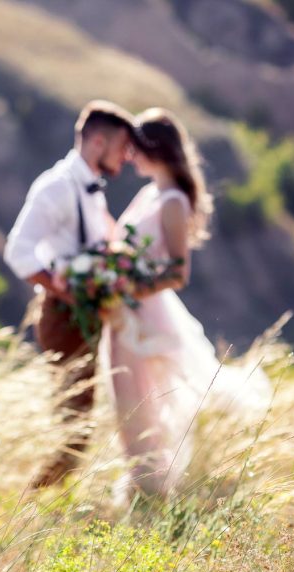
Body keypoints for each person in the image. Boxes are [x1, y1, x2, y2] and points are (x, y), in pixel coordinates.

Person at [100, 108, 269, 497]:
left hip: (148, 313)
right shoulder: (148, 193)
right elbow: (119, 246)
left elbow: (178, 273)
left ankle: (153, 488)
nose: (128, 157)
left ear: (154, 150)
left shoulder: (173, 202)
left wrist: (129, 289)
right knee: (124, 396)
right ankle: (144, 486)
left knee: (148, 399)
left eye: (135, 149)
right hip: (122, 311)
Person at [4, 99, 136, 489]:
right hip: (64, 319)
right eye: (122, 147)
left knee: (78, 425)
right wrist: (63, 288)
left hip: (89, 318)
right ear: (97, 142)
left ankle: (43, 503)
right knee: (75, 431)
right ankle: (28, 507)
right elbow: (18, 249)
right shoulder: (57, 186)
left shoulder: (92, 190)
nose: (127, 157)